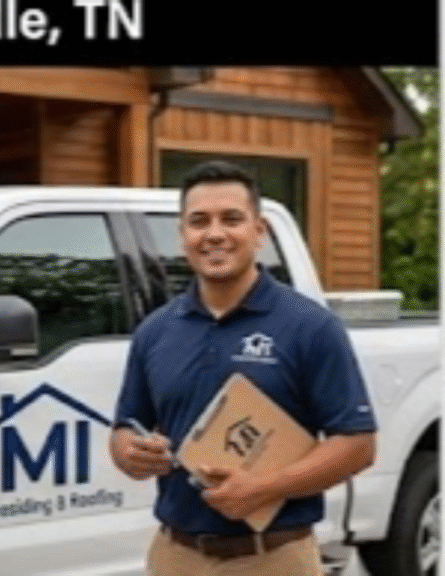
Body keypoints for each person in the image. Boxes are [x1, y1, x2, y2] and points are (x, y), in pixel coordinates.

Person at [110, 160, 377, 576]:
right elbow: (126, 427)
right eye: (199, 221)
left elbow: (357, 445)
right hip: (174, 556)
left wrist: (264, 489)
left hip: (273, 557)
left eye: (231, 219)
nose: (214, 233)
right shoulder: (155, 331)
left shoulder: (310, 326)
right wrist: (130, 452)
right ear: (183, 236)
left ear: (259, 232)